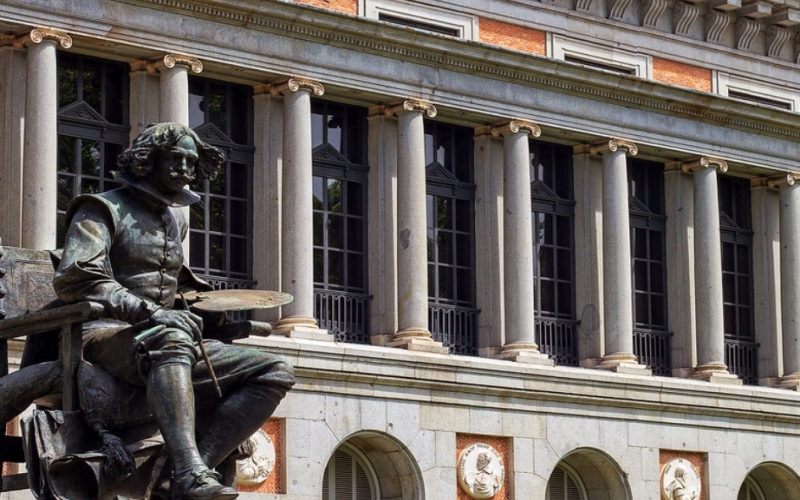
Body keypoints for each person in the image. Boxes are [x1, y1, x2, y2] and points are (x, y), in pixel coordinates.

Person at [53, 122, 295, 500]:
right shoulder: (99, 208)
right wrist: (149, 312)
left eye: (191, 162)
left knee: (275, 370)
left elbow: (174, 285)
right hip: (100, 334)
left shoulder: (174, 217)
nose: (185, 169)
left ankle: (194, 471)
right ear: (147, 160)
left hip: (164, 336)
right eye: (175, 159)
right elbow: (77, 277)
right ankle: (189, 470)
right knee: (170, 338)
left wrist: (218, 316)